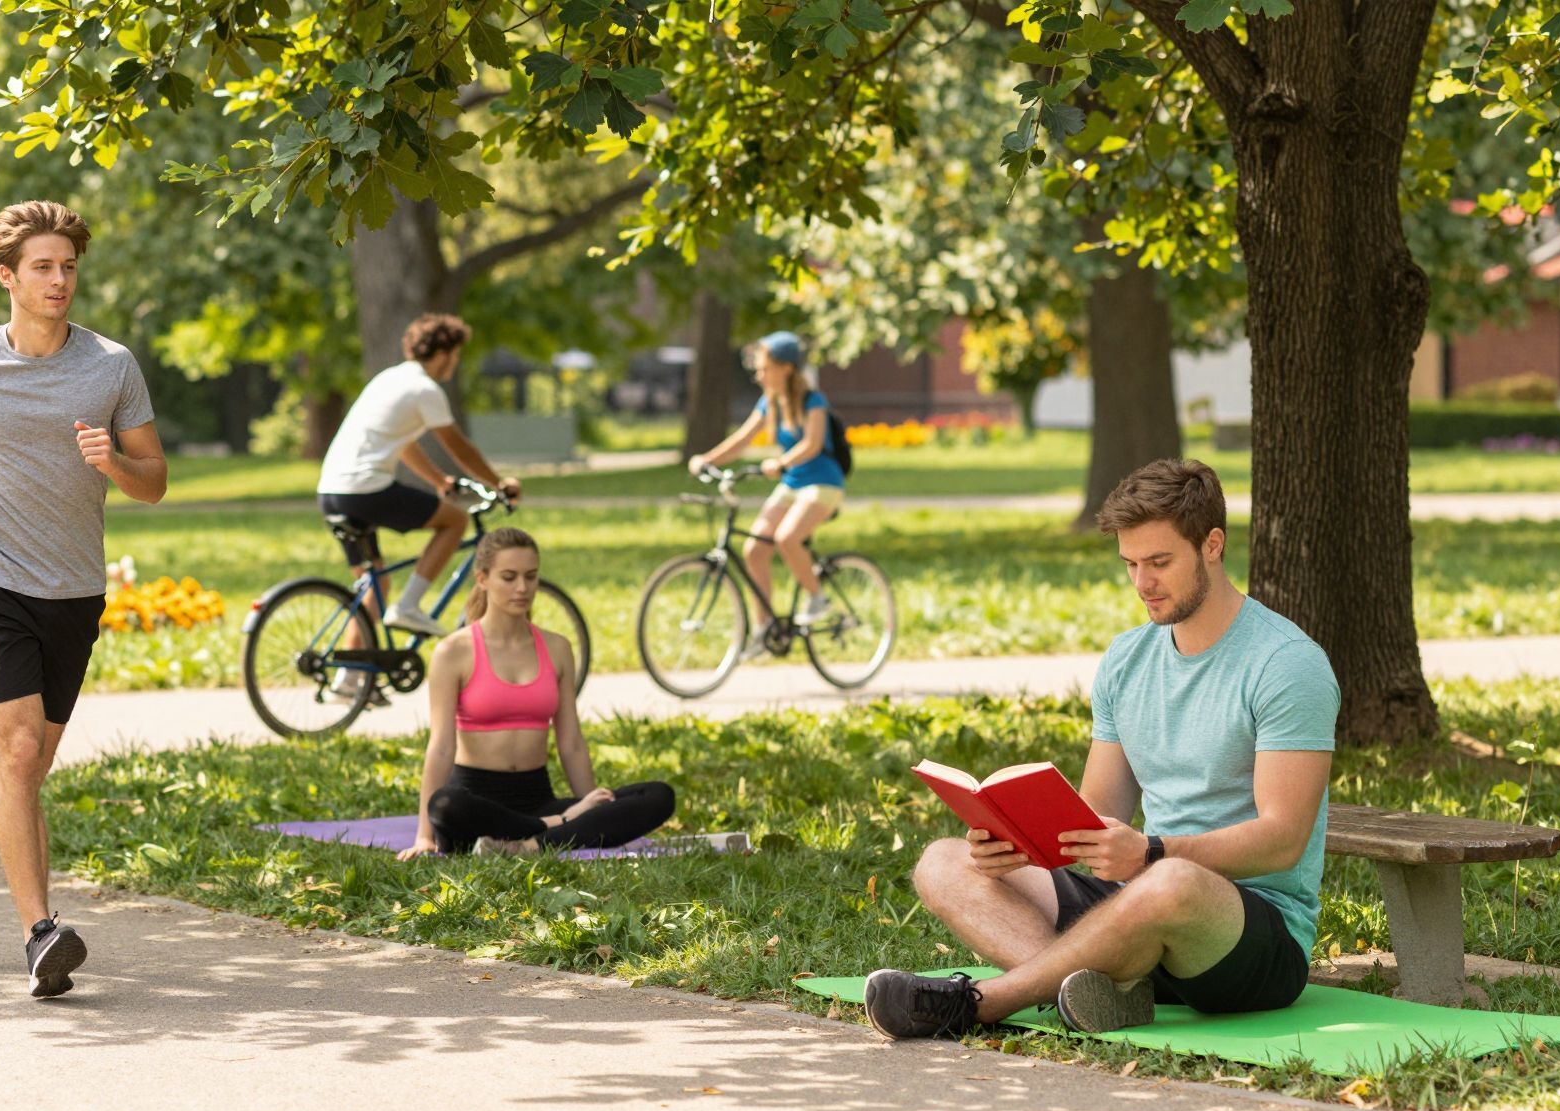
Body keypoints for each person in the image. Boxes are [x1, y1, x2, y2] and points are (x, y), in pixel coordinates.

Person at [862, 459, 1338, 1038]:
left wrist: (1152, 853)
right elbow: (1089, 820)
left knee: (1172, 881)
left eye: (1160, 562)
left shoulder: (1287, 664)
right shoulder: (1127, 660)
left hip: (1245, 936)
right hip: (1135, 906)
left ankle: (985, 1003)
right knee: (942, 861)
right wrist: (1016, 846)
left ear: (1212, 545)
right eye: (1131, 564)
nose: (1143, 583)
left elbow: (1283, 839)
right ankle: (1098, 989)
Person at [0, 200, 166, 998]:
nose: (59, 280)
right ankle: (41, 935)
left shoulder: (112, 365)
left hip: (75, 587)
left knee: (31, 763)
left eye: (68, 267)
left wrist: (113, 461)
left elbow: (154, 482)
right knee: (17, 754)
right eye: (43, 267)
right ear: (7, 276)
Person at [398, 527, 675, 858]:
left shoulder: (557, 648)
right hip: (476, 803)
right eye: (509, 577)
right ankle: (554, 830)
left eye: (531, 577)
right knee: (445, 803)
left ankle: (526, 844)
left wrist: (592, 807)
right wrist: (424, 837)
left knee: (659, 796)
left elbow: (570, 742)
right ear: (482, 579)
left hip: (536, 797)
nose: (522, 588)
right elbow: (441, 747)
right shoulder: (453, 651)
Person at [318, 314, 519, 637]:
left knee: (374, 584)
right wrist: (498, 484)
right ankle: (409, 605)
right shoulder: (425, 389)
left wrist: (439, 481)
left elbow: (404, 444)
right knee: (455, 520)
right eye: (455, 355)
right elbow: (458, 447)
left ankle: (350, 682)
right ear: (443, 353)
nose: (455, 363)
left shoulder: (388, 380)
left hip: (332, 491)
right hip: (366, 489)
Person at [686, 331, 844, 646]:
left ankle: (817, 597)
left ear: (786, 368)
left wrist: (783, 461)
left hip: (823, 482)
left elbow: (812, 444)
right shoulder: (769, 403)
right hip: (792, 484)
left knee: (787, 538)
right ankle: (765, 629)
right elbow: (742, 439)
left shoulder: (814, 401)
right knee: (754, 549)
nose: (758, 375)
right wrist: (707, 459)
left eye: (764, 368)